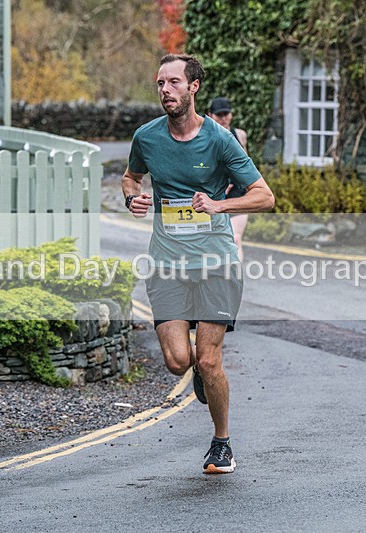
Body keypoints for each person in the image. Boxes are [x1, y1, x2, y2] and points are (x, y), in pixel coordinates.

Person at [121, 54, 274, 475]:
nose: (164, 90)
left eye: (173, 82)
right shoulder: (147, 137)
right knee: (177, 361)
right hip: (168, 263)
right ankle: (199, 378)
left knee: (209, 361)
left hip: (216, 262)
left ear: (193, 88)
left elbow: (264, 196)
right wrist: (131, 196)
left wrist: (218, 204)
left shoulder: (220, 139)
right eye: (159, 83)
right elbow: (130, 177)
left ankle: (221, 442)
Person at [208, 96, 249, 260]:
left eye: (226, 114)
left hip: (237, 194)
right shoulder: (205, 137)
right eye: (219, 115)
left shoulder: (240, 135)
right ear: (210, 115)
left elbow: (246, 165)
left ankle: (235, 278)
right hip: (214, 194)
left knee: (236, 238)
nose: (223, 118)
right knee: (216, 241)